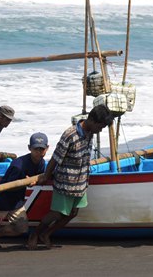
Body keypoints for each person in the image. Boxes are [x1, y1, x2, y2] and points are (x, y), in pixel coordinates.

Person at [27, 104, 114, 250]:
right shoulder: (70, 134)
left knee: (73, 213)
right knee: (56, 213)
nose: (100, 130)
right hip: (66, 182)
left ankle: (47, 234)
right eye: (101, 127)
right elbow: (55, 158)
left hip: (81, 182)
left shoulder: (90, 133)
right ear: (93, 121)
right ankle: (34, 235)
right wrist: (46, 176)